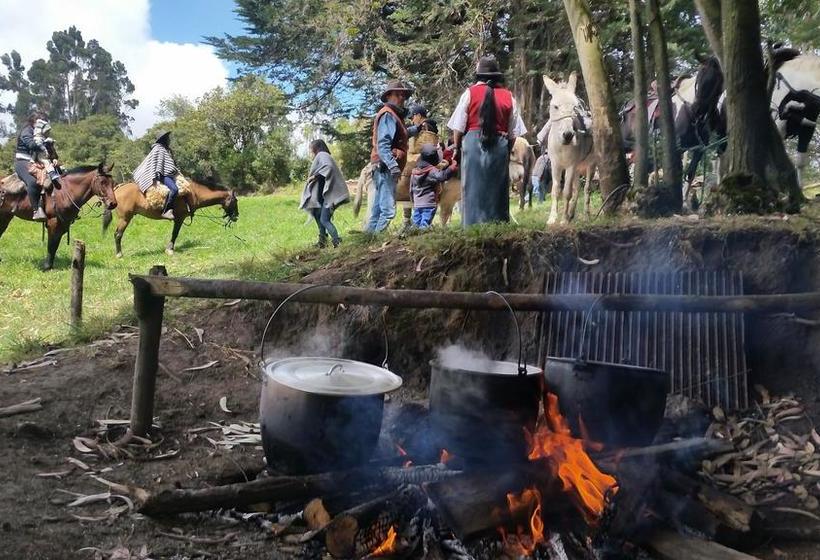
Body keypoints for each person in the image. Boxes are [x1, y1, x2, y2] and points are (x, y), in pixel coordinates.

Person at [447, 55, 527, 226]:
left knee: (473, 187)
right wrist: (505, 149)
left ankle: (471, 226)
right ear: (497, 76)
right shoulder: (508, 97)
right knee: (496, 188)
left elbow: (458, 127)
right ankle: (497, 226)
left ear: (479, 75)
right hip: (500, 144)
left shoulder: (469, 93)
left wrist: (457, 147)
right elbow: (513, 133)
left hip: (473, 144)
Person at [366, 80, 413, 233]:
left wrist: (416, 129)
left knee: (378, 210)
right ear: (389, 96)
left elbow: (401, 135)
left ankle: (368, 240)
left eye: (404, 96)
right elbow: (383, 145)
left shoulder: (393, 116)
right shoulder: (388, 114)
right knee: (387, 211)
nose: (402, 98)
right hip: (385, 167)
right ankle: (377, 241)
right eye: (398, 94)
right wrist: (393, 166)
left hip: (380, 166)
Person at [397, 104, 441, 230]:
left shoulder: (425, 127)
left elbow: (423, 146)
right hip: (425, 157)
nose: (412, 120)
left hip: (421, 158)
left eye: (413, 117)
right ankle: (412, 220)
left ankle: (408, 220)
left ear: (418, 115)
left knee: (407, 176)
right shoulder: (429, 126)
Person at [300, 139, 350, 248]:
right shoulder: (324, 156)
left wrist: (315, 176)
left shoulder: (322, 155)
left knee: (324, 219)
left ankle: (337, 241)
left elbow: (328, 168)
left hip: (330, 197)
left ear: (315, 148)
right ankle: (322, 242)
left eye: (310, 149)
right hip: (323, 197)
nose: (310, 152)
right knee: (318, 215)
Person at [133, 130, 180, 219]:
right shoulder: (158, 149)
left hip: (169, 175)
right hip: (163, 175)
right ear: (164, 139)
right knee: (174, 189)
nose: (169, 140)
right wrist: (157, 175)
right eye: (168, 138)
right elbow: (156, 164)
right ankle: (166, 211)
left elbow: (169, 164)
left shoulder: (166, 150)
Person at [410, 144, 458, 229]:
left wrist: (413, 201)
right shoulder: (431, 171)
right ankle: (423, 239)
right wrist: (452, 168)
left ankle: (413, 237)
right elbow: (442, 176)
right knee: (425, 225)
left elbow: (411, 189)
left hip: (417, 204)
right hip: (429, 203)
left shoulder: (414, 172)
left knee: (415, 224)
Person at [13, 112, 49, 221]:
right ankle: (36, 210)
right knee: (33, 181)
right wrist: (41, 141)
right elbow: (31, 145)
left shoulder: (40, 134)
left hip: (37, 161)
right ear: (35, 122)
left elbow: (46, 149)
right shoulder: (26, 131)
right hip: (22, 162)